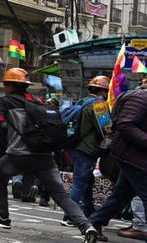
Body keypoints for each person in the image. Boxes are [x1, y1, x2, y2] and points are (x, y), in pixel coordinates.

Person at [0, 68, 98, 243]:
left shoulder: (6, 101)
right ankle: (86, 226)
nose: (5, 87)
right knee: (61, 195)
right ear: (25, 85)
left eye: (6, 84)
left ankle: (3, 218)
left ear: (10, 85)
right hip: (46, 155)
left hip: (19, 154)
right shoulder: (38, 101)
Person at [88, 76, 147, 241]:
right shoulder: (140, 99)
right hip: (132, 156)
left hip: (136, 155)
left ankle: (93, 223)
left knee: (122, 194)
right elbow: (126, 124)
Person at [63, 76, 110, 224]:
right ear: (102, 91)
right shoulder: (99, 104)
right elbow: (106, 130)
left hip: (75, 146)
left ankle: (88, 210)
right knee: (80, 182)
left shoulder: (82, 101)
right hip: (87, 149)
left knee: (87, 181)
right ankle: (70, 216)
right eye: (106, 90)